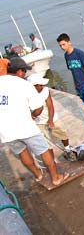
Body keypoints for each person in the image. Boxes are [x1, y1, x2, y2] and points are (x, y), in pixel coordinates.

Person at [0, 57, 69, 185]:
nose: (25, 74)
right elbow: (38, 108)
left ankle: (38, 175)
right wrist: (32, 116)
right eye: (24, 71)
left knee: (22, 153)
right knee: (43, 150)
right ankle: (55, 177)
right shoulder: (24, 84)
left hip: (5, 131)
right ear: (19, 71)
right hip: (25, 127)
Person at [27, 74, 72, 154]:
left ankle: (67, 148)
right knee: (46, 143)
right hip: (39, 121)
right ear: (33, 86)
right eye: (40, 85)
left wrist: (50, 120)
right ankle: (51, 159)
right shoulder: (27, 95)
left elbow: (50, 106)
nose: (42, 86)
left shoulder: (45, 90)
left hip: (51, 117)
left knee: (62, 132)